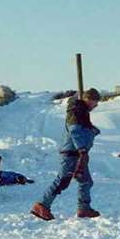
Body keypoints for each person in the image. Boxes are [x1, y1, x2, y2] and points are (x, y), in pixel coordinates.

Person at [31, 88, 102, 220]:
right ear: (88, 99)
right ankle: (41, 205)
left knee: (86, 181)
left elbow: (82, 129)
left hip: (78, 154)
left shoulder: (82, 112)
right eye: (95, 102)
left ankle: (84, 209)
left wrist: (91, 131)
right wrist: (82, 149)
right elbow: (75, 131)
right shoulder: (76, 111)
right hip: (72, 153)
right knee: (62, 180)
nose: (96, 105)